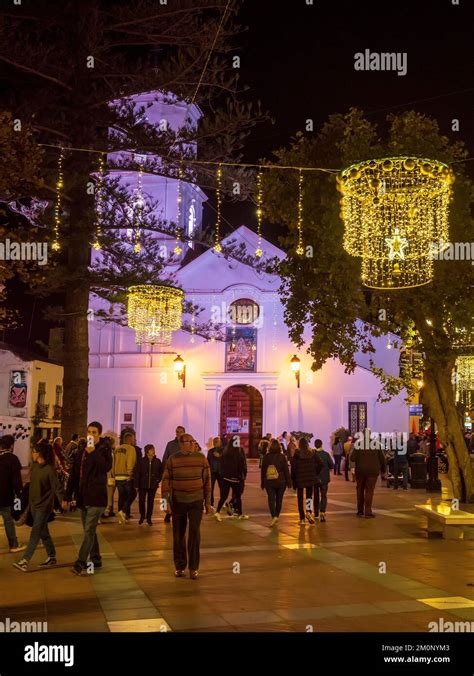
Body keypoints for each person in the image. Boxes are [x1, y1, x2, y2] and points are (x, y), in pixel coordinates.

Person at [63, 421, 112, 575]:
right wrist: (67, 495)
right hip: (83, 497)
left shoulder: (104, 449)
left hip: (97, 498)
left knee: (89, 531)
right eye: (89, 431)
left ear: (99, 434)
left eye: (94, 432)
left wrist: (94, 453)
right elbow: (74, 474)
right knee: (89, 531)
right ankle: (96, 558)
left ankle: (80, 562)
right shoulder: (81, 450)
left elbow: (106, 467)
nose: (91, 434)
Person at [161, 432, 211, 579]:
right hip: (178, 501)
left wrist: (208, 502)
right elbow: (165, 481)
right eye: (189, 442)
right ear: (181, 444)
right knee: (178, 535)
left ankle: (194, 567)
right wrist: (165, 502)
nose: (192, 444)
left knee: (194, 533)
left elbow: (207, 481)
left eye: (193, 441)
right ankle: (180, 565)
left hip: (196, 501)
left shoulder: (201, 458)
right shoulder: (173, 459)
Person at [13, 440, 64, 572]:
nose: (32, 454)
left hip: (44, 506)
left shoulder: (49, 470)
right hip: (33, 505)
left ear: (40, 453)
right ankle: (52, 556)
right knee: (43, 532)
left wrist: (63, 501)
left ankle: (25, 560)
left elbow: (57, 488)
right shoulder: (35, 466)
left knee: (35, 532)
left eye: (34, 451)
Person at [350, 430, 387, 518]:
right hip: (372, 471)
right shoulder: (376, 444)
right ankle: (368, 512)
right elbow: (382, 459)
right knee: (369, 491)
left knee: (360, 490)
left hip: (360, 471)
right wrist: (383, 470)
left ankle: (360, 511)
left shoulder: (358, 444)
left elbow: (352, 458)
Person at [0, 435, 25, 553]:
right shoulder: (13, 459)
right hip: (5, 497)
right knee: (8, 520)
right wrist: (19, 495)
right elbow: (17, 482)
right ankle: (13, 545)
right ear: (11, 445)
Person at [215, 436, 248, 521]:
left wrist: (222, 475)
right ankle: (239, 514)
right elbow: (242, 465)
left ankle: (217, 512)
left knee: (223, 496)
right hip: (236, 478)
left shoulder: (226, 452)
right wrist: (243, 475)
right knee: (238, 496)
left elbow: (222, 464)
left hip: (226, 478)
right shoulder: (239, 451)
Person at [291, 437, 323, 525]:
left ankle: (302, 518)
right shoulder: (312, 453)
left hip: (299, 479)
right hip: (310, 478)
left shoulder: (297, 454)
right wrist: (315, 473)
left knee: (300, 498)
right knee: (309, 497)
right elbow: (321, 463)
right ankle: (309, 512)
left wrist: (293, 480)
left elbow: (293, 468)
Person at [261, 438, 291, 527]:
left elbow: (263, 470)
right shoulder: (282, 457)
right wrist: (289, 482)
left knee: (271, 499)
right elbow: (286, 470)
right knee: (279, 500)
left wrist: (262, 482)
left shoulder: (266, 457)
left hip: (269, 481)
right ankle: (276, 516)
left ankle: (274, 516)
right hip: (281, 481)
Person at [162, 426, 185, 523]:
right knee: (167, 495)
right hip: (171, 474)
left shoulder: (187, 444)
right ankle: (167, 512)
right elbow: (165, 458)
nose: (178, 433)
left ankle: (179, 514)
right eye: (177, 432)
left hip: (183, 475)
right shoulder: (170, 444)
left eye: (180, 432)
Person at [135, 444, 162, 525]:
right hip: (142, 485)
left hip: (153, 485)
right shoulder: (141, 461)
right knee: (141, 500)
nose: (153, 451)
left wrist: (158, 480)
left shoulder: (157, 461)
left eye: (153, 449)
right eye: (151, 449)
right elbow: (137, 473)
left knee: (151, 501)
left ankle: (149, 518)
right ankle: (142, 516)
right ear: (147, 451)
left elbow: (161, 472)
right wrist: (136, 484)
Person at [113, 433, 137, 523]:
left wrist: (113, 474)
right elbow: (131, 461)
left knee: (121, 496)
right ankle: (123, 511)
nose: (134, 440)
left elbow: (113, 462)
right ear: (130, 439)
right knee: (132, 494)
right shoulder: (131, 449)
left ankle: (121, 516)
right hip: (126, 476)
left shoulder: (117, 449)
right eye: (133, 439)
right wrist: (130, 473)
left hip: (117, 476)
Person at [314, 439, 334, 522]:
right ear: (321, 445)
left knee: (315, 495)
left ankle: (316, 512)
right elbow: (332, 465)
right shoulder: (326, 454)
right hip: (324, 478)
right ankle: (322, 511)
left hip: (315, 479)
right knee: (324, 495)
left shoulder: (313, 455)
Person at [207, 437, 223, 508]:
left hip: (220, 472)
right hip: (212, 472)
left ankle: (222, 502)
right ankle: (211, 503)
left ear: (220, 443)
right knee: (211, 488)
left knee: (222, 488)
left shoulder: (223, 450)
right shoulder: (210, 451)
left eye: (217, 441)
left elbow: (226, 460)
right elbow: (208, 461)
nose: (215, 443)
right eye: (214, 442)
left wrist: (219, 456)